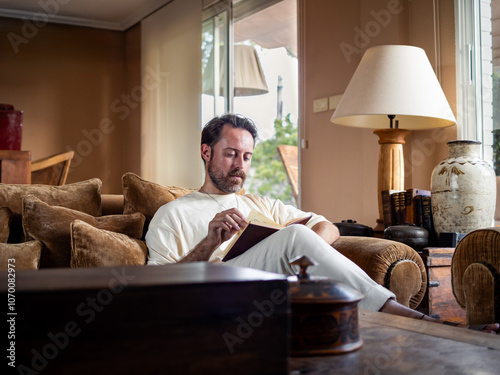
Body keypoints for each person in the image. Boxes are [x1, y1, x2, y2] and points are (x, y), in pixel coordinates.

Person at [146, 113, 499, 334]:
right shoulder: (173, 213)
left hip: (274, 289)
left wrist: (299, 253)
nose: (240, 165)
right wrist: (209, 242)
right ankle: (416, 320)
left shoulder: (259, 204)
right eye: (230, 154)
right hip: (215, 291)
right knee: (293, 236)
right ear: (206, 152)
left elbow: (327, 226)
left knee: (297, 235)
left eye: (247, 156)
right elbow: (154, 290)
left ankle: (417, 328)